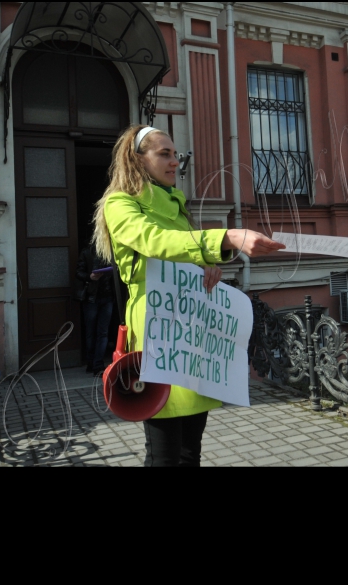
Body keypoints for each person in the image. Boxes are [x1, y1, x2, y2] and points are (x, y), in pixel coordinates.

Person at [93, 124, 285, 467]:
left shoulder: (175, 203)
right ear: (137, 160)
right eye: (164, 154)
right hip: (157, 331)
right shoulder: (119, 204)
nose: (175, 162)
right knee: (164, 455)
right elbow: (155, 242)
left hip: (191, 332)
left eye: (175, 154)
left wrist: (209, 266)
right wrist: (224, 239)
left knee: (190, 452)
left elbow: (187, 255)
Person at [75, 245, 114, 376]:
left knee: (102, 332)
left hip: (107, 296)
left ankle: (98, 365)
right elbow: (78, 272)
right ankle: (91, 363)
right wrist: (89, 277)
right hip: (91, 298)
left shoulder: (111, 251)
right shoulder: (86, 252)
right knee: (91, 332)